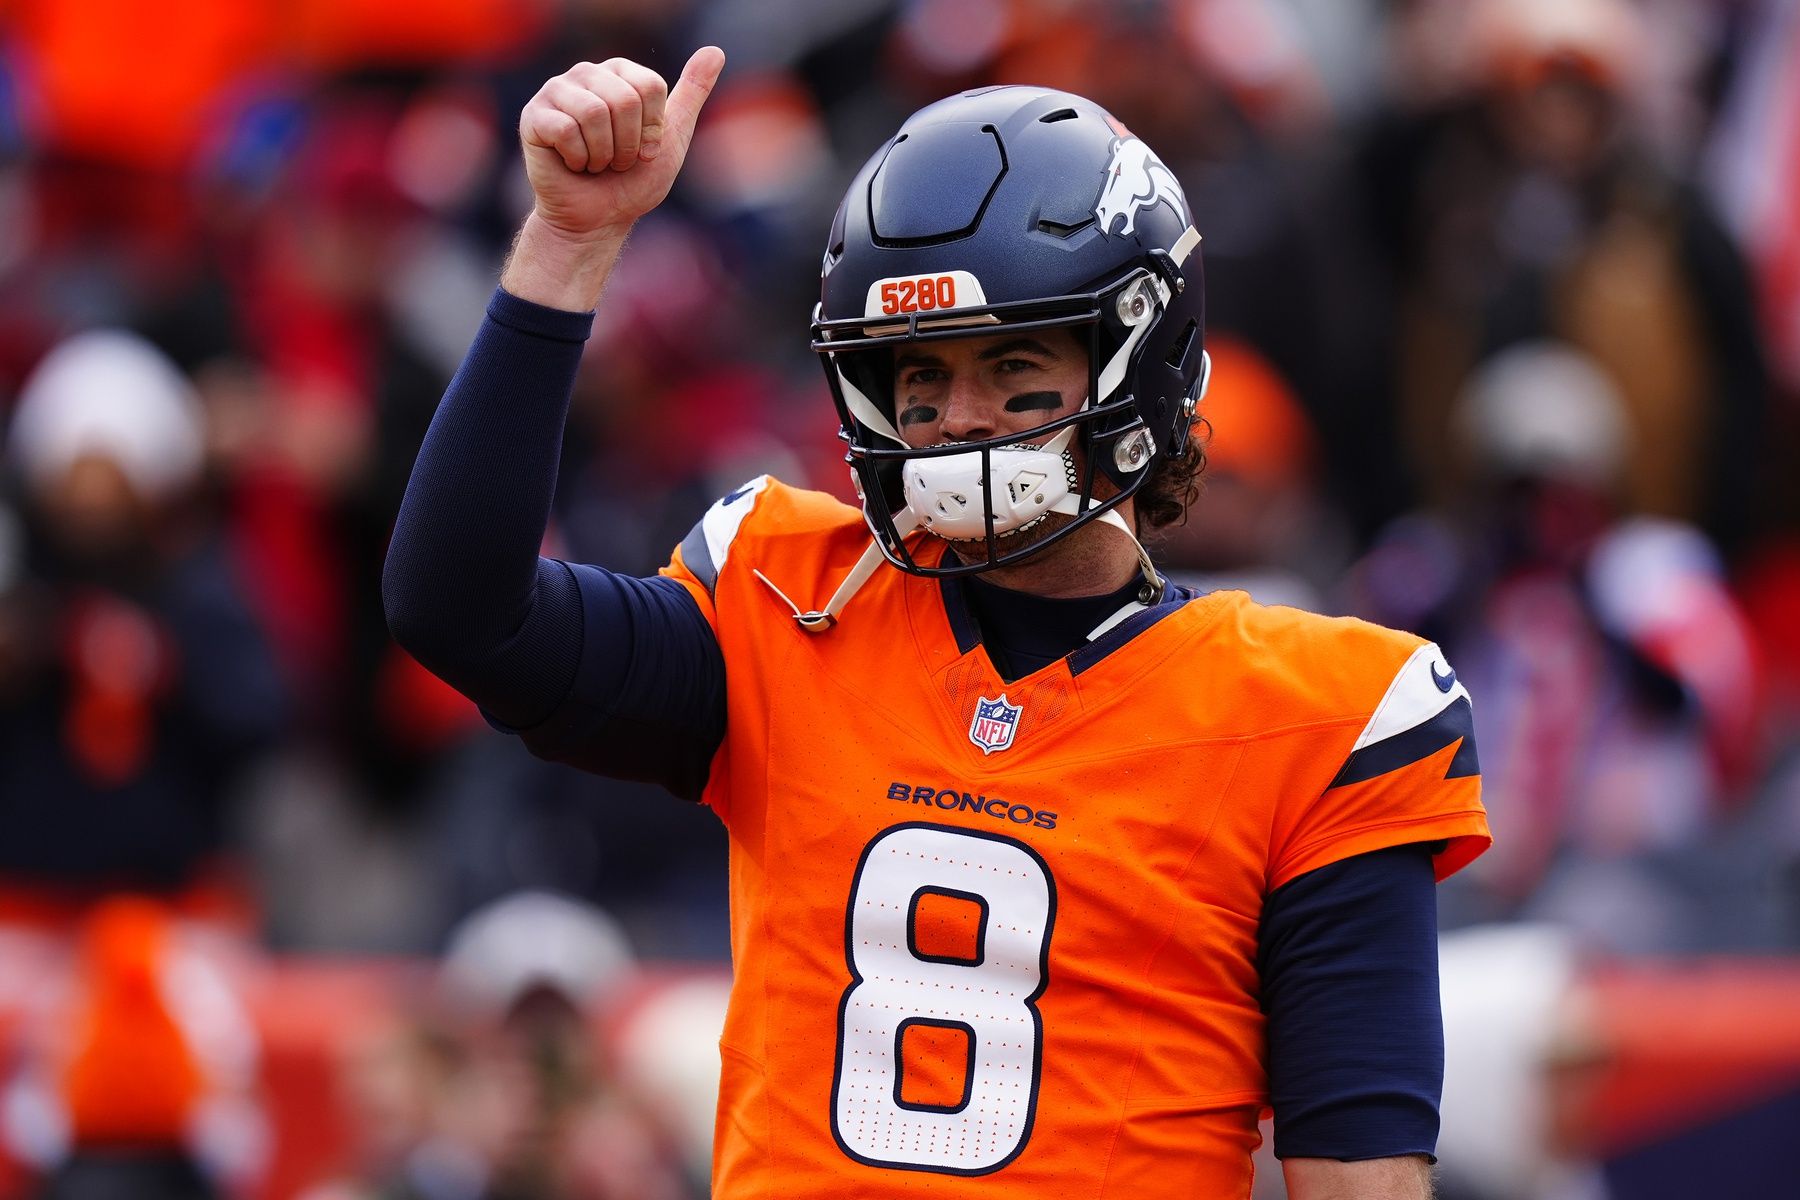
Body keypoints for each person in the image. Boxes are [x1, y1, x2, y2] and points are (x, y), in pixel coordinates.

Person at [383, 48, 1491, 1199]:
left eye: (1014, 367)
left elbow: (1359, 1174)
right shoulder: (784, 599)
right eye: (919, 377)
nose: (960, 423)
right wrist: (570, 243)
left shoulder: (1315, 714)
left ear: (1137, 363)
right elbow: (459, 608)